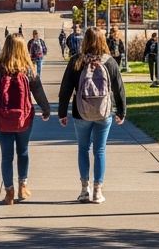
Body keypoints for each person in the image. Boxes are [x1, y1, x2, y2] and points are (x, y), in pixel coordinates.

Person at [58, 27, 126, 204]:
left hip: (81, 112)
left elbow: (65, 89)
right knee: (100, 150)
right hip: (104, 113)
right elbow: (119, 88)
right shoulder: (109, 62)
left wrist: (62, 113)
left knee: (83, 149)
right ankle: (97, 191)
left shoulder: (77, 61)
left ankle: (83, 190)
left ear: (85, 41)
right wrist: (121, 111)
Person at [0, 33, 50, 204]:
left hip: (3, 118)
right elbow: (38, 91)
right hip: (24, 117)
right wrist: (46, 108)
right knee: (23, 151)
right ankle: (23, 185)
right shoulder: (28, 68)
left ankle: (9, 192)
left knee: (6, 156)